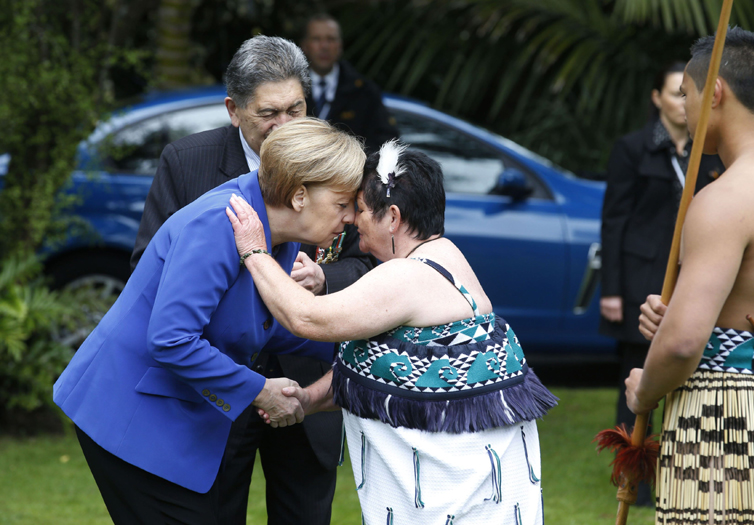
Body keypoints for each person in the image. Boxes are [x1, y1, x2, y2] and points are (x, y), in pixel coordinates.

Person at [226, 142, 557, 524]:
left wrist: (254, 252)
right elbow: (386, 365)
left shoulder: (406, 276)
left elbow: (306, 319)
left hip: (455, 499)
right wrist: (309, 399)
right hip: (480, 486)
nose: (352, 219)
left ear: (393, 217)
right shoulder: (445, 255)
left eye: (362, 210)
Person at [54, 118, 365, 524]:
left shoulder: (279, 234)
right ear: (300, 195)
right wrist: (259, 391)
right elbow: (171, 340)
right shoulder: (221, 222)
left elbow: (262, 327)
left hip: (171, 419)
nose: (352, 219)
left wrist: (364, 346)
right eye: (343, 205)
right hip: (129, 417)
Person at [130, 36, 373, 524]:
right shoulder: (187, 162)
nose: (285, 125)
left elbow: (371, 260)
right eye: (269, 113)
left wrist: (325, 277)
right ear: (233, 110)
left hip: (306, 382)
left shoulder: (338, 163)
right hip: (214, 391)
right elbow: (148, 266)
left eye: (296, 109)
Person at [625, 28, 754, 522]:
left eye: (687, 93)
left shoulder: (725, 199)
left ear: (716, 92)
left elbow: (683, 345)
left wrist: (646, 389)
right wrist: (683, 320)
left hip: (728, 426)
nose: (684, 107)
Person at [598, 61, 724, 505]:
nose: (681, 101)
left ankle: (673, 468)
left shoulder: (706, 152)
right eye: (674, 93)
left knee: (679, 377)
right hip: (638, 278)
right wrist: (611, 289)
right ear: (656, 99)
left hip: (689, 278)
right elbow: (613, 220)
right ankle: (631, 475)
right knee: (635, 376)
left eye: (686, 93)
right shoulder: (632, 149)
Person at [301, 13, 398, 152]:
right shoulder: (291, 88)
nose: (324, 46)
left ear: (340, 45)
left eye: (331, 39)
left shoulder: (364, 91)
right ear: (304, 45)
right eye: (316, 39)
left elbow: (386, 142)